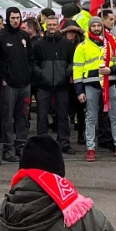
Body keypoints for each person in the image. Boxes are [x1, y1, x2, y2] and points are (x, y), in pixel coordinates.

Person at [73, 17, 116, 162]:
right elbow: (77, 70)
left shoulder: (111, 43)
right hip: (90, 85)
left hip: (109, 84)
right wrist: (79, 91)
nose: (97, 28)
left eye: (99, 25)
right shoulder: (82, 46)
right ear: (90, 28)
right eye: (94, 26)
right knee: (91, 118)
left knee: (115, 116)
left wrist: (111, 69)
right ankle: (90, 148)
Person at [0, 6, 35, 163]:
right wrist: (2, 78)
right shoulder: (0, 37)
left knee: (23, 117)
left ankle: (21, 147)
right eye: (13, 18)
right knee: (7, 118)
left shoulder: (24, 36)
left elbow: (31, 57)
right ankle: (8, 149)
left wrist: (29, 73)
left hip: (25, 85)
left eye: (17, 18)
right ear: (8, 19)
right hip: (8, 85)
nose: (15, 21)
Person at [32, 16, 76, 153]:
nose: (51, 27)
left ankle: (64, 143)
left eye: (54, 24)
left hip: (62, 85)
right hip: (43, 85)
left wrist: (66, 74)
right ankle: (42, 143)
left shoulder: (66, 44)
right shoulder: (39, 44)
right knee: (42, 116)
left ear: (58, 26)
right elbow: (33, 63)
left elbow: (72, 62)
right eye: (49, 25)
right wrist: (41, 75)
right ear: (45, 26)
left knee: (63, 115)